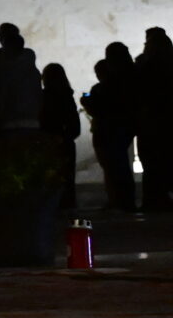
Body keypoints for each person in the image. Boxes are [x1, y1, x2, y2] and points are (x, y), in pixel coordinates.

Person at [134, 28, 173, 212]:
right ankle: (172, 196)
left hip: (153, 120)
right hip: (171, 119)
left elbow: (142, 93)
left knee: (152, 162)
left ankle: (154, 200)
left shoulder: (147, 67)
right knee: (169, 160)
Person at [85, 43, 139, 215]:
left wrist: (89, 103)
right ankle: (121, 200)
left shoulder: (111, 83)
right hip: (121, 126)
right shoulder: (129, 77)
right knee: (117, 165)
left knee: (115, 166)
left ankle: (121, 201)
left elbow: (103, 106)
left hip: (110, 127)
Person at [41, 62, 83, 212]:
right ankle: (68, 204)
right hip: (65, 141)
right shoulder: (67, 96)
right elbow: (74, 125)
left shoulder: (43, 97)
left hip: (48, 141)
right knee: (67, 177)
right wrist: (65, 136)